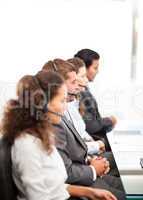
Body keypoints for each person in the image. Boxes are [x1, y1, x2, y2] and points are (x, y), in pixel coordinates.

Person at [1, 70, 117, 200]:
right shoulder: (27, 145)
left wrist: (88, 192)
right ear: (43, 105)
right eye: (62, 101)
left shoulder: (43, 135)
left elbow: (53, 186)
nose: (65, 107)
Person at [42, 59, 126, 200]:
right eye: (75, 80)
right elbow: (64, 172)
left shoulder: (60, 111)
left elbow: (72, 151)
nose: (82, 83)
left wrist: (90, 162)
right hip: (79, 181)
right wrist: (92, 169)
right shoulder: (52, 120)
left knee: (130, 189)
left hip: (84, 168)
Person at [74, 49, 117, 148]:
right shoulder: (79, 93)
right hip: (95, 143)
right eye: (95, 68)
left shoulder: (84, 90)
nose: (98, 71)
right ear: (84, 68)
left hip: (94, 143)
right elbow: (90, 126)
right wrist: (110, 121)